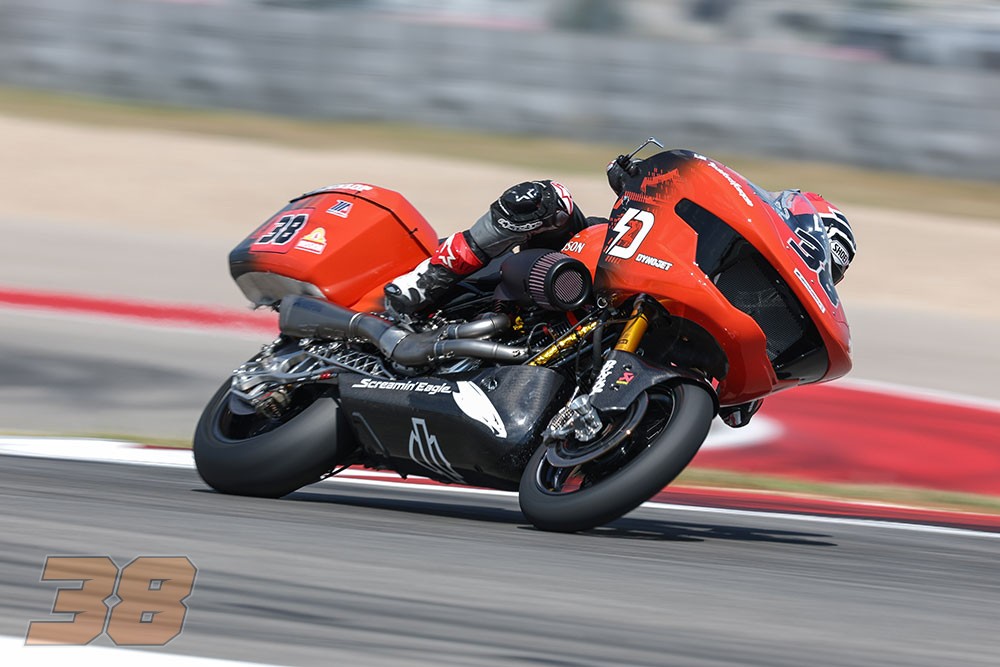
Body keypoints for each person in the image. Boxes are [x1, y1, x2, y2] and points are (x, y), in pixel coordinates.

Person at [384, 156, 857, 314]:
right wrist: (644, 181)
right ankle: (432, 275)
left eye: (825, 273)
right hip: (597, 258)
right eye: (806, 249)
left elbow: (737, 409)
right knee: (544, 199)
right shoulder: (728, 232)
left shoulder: (761, 319)